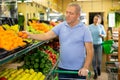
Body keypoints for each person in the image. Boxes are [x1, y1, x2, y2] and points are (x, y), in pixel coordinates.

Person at [26, 3, 93, 79]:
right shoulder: (61, 26)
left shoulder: (85, 29)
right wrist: (30, 35)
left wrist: (85, 67)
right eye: (67, 12)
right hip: (63, 69)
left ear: (78, 15)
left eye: (71, 13)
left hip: (79, 70)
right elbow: (46, 36)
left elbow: (90, 51)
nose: (67, 15)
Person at [88, 14, 106, 79]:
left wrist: (102, 35)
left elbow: (105, 34)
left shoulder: (101, 26)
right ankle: (95, 72)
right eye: (95, 19)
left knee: (99, 60)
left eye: (97, 19)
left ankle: (98, 68)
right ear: (93, 19)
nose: (96, 20)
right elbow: (87, 35)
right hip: (91, 45)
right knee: (93, 60)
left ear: (99, 20)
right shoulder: (89, 27)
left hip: (99, 45)